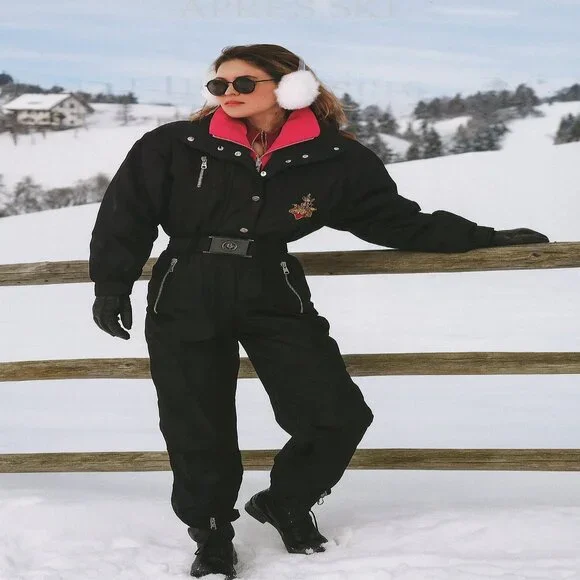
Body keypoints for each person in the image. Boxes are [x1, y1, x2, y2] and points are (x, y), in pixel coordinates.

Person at [89, 44, 549, 579]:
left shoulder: (334, 158)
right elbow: (126, 214)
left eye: (244, 83)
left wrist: (482, 237)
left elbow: (394, 220)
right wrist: (112, 285)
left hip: (272, 287)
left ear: (290, 86)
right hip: (185, 286)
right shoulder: (174, 144)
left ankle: (285, 500)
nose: (228, 93)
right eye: (219, 85)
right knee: (196, 419)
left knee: (337, 413)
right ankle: (211, 531)